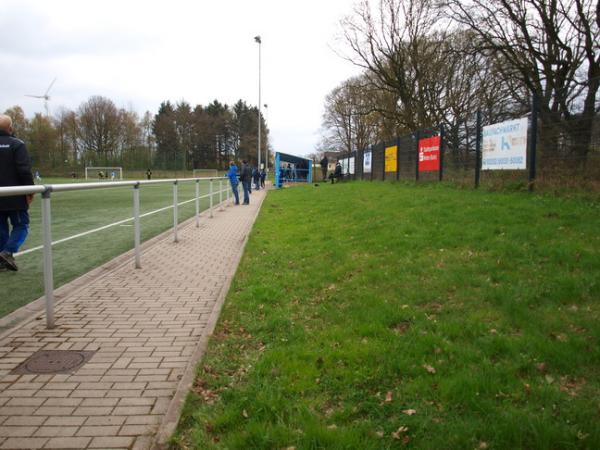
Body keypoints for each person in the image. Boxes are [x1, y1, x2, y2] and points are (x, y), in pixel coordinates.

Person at [0, 114, 34, 272]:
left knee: (1, 228)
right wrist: (30, 191)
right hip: (15, 195)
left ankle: (2, 259)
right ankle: (7, 252)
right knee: (21, 225)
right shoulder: (17, 144)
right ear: (10, 128)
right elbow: (24, 170)